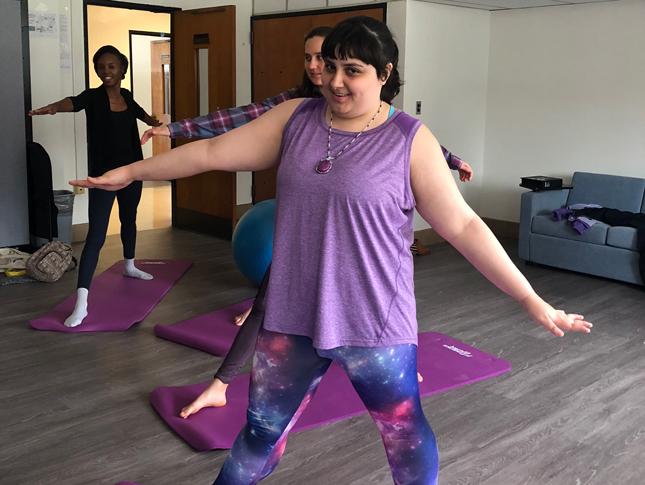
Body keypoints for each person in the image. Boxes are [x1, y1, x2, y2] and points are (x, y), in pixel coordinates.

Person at [71, 17, 592, 484]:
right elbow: (211, 152)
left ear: (384, 72)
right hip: (292, 318)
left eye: (354, 70)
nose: (336, 81)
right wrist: (130, 173)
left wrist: (532, 300)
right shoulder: (297, 117)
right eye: (330, 67)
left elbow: (463, 226)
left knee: (403, 435)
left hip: (373, 323)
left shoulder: (411, 140)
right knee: (260, 432)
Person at [30, 45, 161, 327]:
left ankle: (129, 265)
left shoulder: (126, 95)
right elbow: (72, 102)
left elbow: (141, 114)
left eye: (111, 66)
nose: (106, 71)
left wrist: (154, 123)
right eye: (101, 67)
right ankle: (82, 303)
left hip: (131, 171)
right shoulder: (93, 96)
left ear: (122, 70)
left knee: (129, 219)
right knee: (96, 237)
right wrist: (53, 108)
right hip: (102, 176)